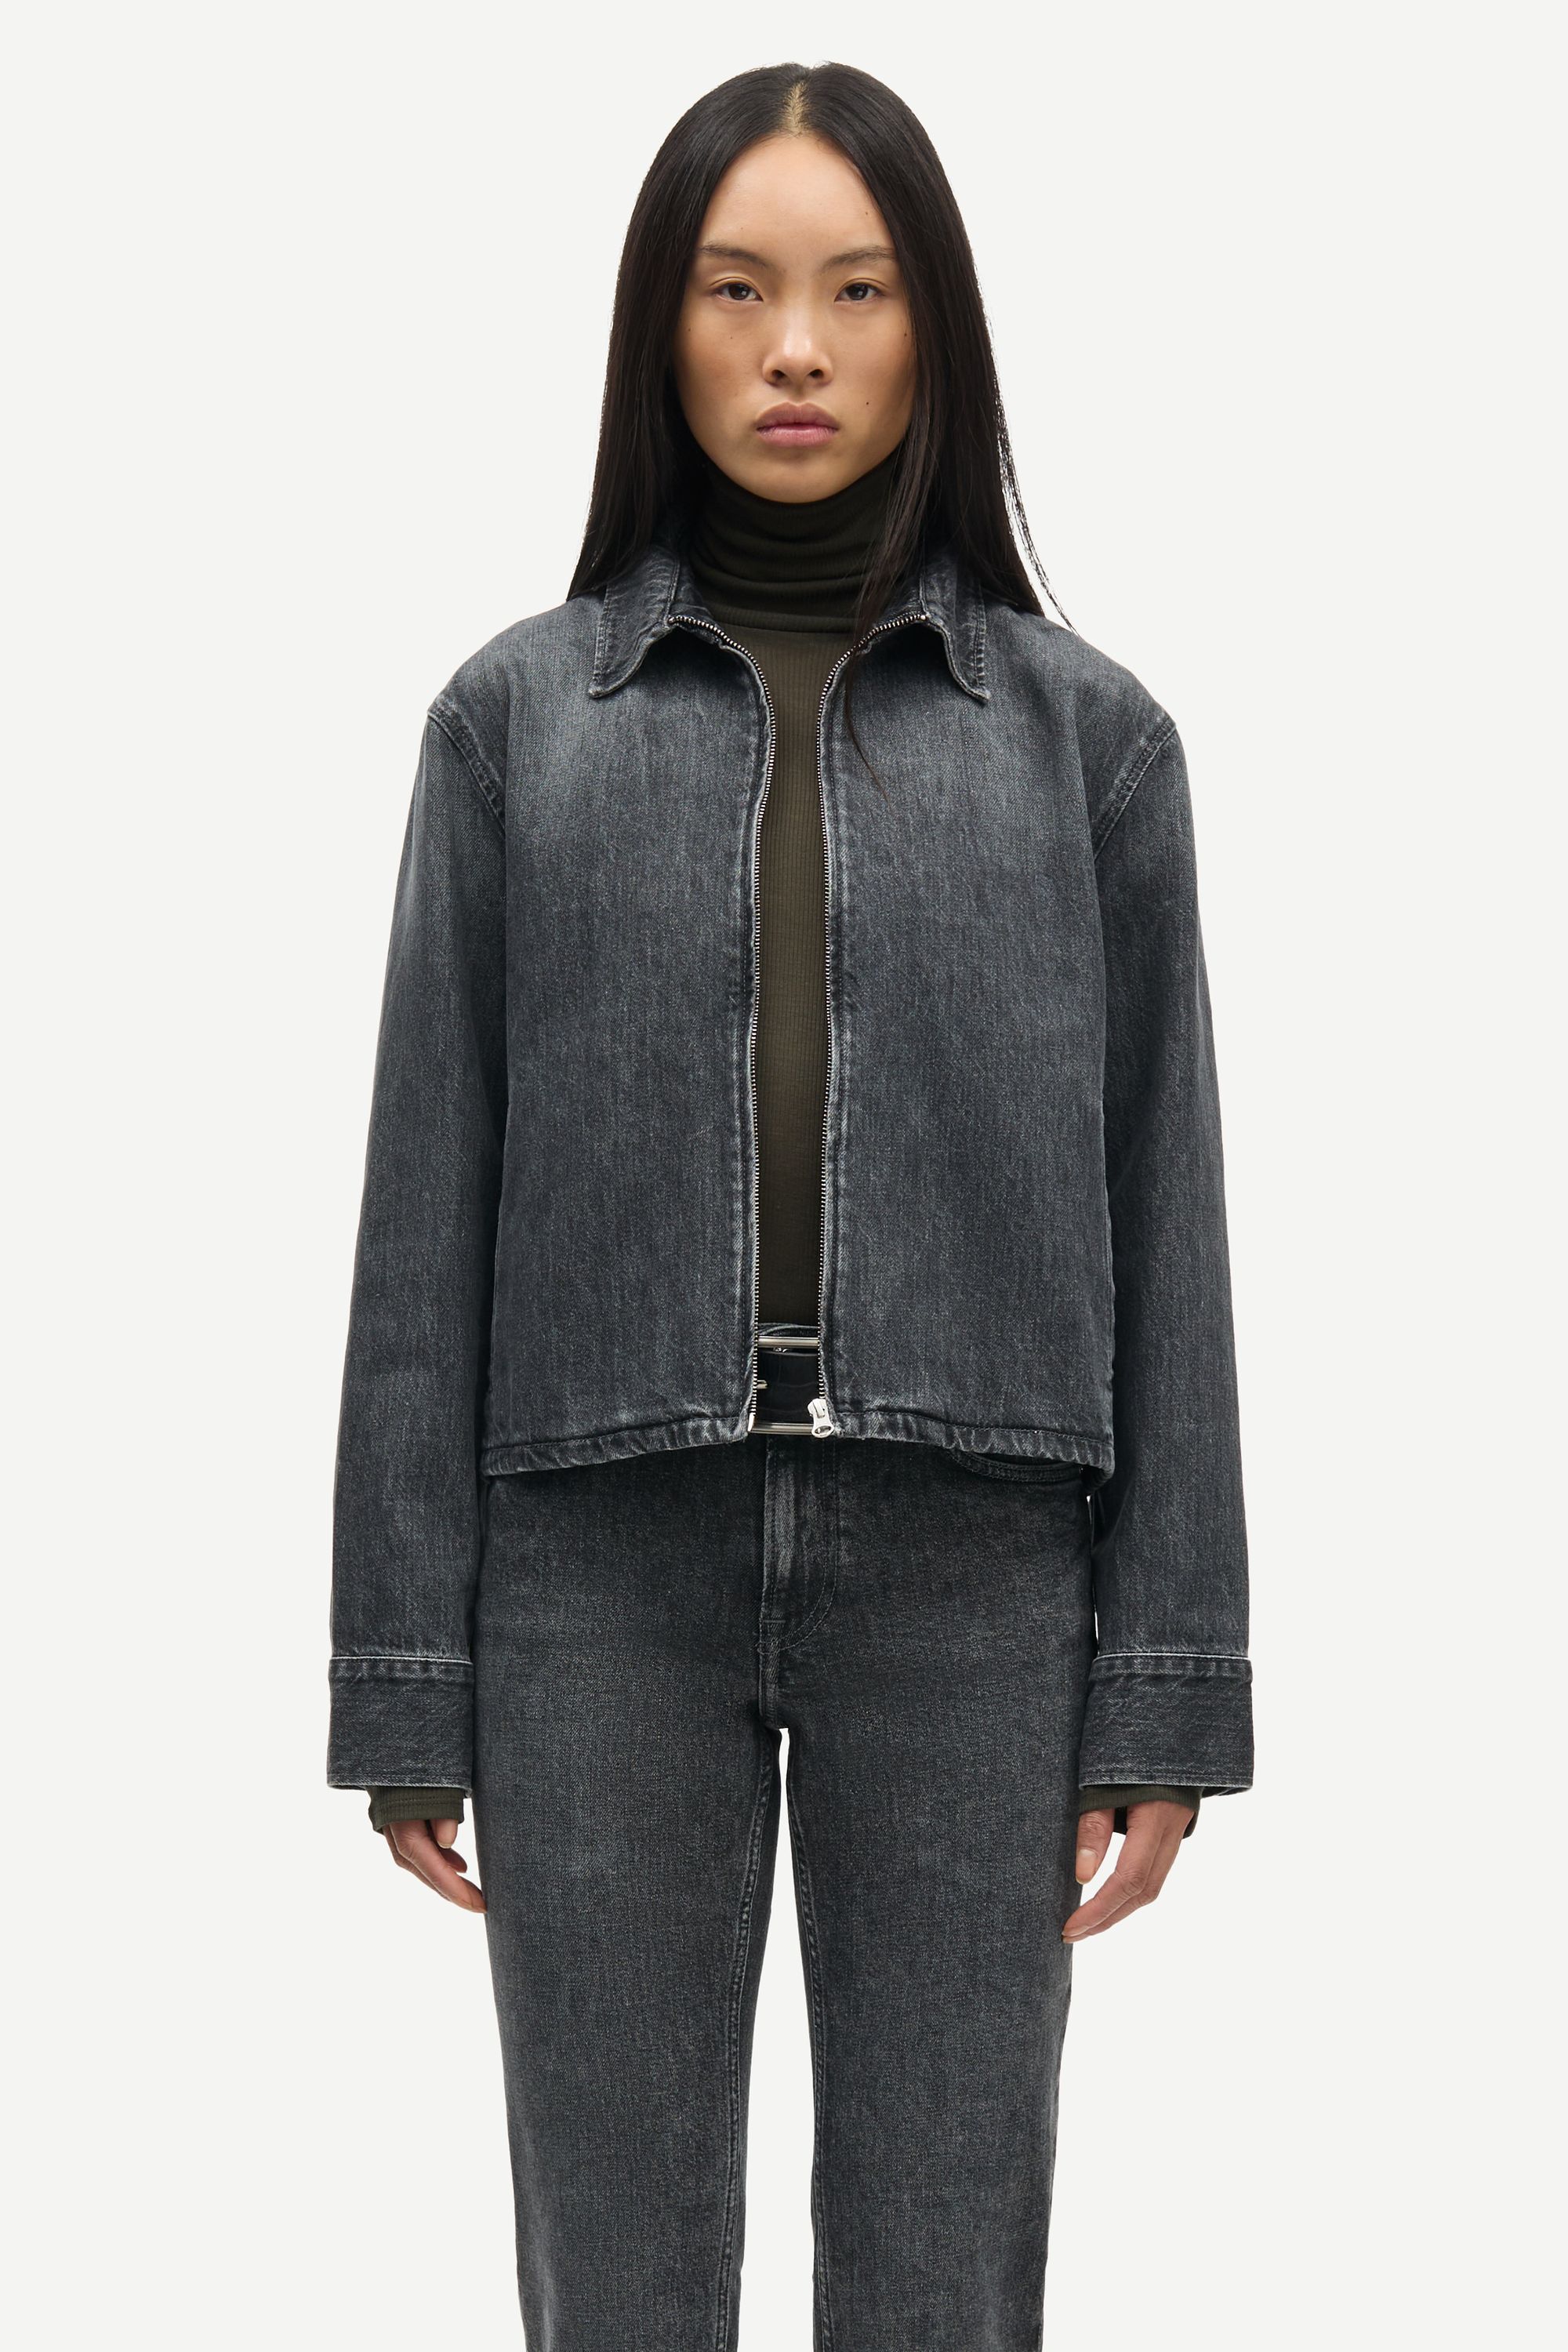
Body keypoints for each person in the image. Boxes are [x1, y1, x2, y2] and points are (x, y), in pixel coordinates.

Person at [327, 59, 1253, 2347]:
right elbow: (423, 1215)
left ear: (939, 327)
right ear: (661, 327)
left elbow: (1172, 1214)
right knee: (614, 2287)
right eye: (736, 291)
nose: (798, 350)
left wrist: (1167, 1685)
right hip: (589, 1571)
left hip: (980, 1575)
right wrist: (402, 1673)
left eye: (860, 288)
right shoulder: (514, 728)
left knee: (948, 2280)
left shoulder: (1093, 746)